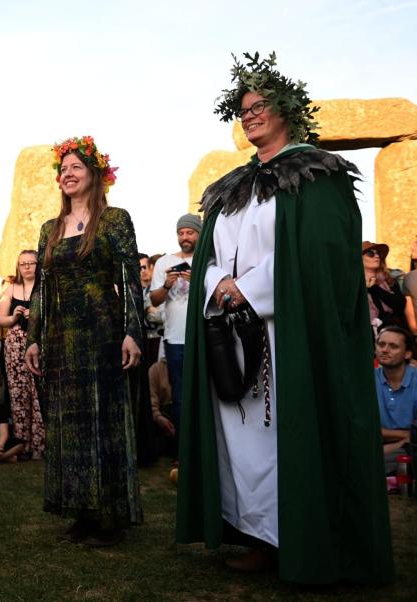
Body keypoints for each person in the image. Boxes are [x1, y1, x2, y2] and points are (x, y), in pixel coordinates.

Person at [176, 52, 393, 584]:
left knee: (285, 440)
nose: (250, 114)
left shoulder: (318, 175)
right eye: (243, 108)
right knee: (243, 443)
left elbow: (315, 256)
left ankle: (300, 539)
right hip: (233, 330)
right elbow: (206, 253)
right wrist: (219, 286)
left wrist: (247, 289)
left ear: (287, 109)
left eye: (260, 106)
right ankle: (259, 539)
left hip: (286, 333)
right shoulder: (232, 185)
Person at [25, 135, 143, 547]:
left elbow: (130, 280)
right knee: (68, 425)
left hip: (102, 331)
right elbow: (40, 287)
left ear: (95, 174)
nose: (68, 174)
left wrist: (132, 331)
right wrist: (34, 337)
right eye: (64, 168)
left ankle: (108, 516)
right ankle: (78, 510)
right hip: (60, 336)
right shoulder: (49, 229)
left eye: (76, 167)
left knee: (102, 421)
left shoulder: (114, 220)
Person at [149, 213, 201, 430]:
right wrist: (168, 285)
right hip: (174, 339)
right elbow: (154, 299)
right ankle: (182, 452)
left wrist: (195, 280)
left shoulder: (207, 259)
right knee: (178, 394)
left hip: (201, 337)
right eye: (181, 233)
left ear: (199, 233)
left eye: (190, 232)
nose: (185, 237)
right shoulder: (165, 262)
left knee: (202, 392)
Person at [0, 250, 45, 459]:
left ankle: (40, 446)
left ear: (38, 265)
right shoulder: (11, 288)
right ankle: (22, 446)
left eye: (31, 263)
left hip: (40, 343)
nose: (26, 267)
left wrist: (35, 315)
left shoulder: (45, 288)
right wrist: (14, 316)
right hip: (15, 345)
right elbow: (1, 319)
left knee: (39, 393)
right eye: (22, 264)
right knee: (18, 393)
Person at [374, 326, 416, 473]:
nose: (384, 350)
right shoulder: (365, 380)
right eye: (381, 344)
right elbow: (365, 430)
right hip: (377, 446)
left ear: (407, 354)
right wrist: (405, 435)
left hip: (409, 449)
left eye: (393, 346)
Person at [362, 241, 408, 335]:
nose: (377, 256)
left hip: (392, 331)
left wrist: (373, 288)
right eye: (371, 253)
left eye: (378, 253)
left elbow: (400, 304)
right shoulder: (355, 284)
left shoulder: (389, 280)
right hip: (366, 333)